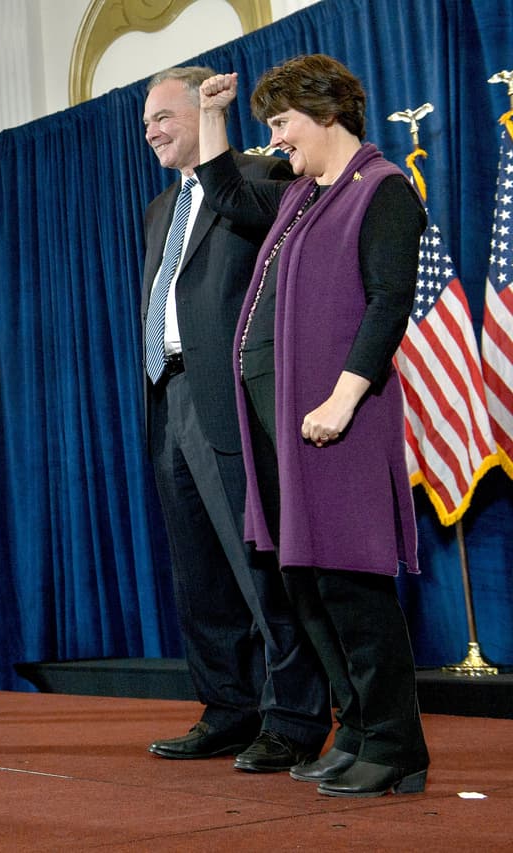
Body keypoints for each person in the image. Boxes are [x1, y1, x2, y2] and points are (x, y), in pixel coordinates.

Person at [196, 55, 429, 797]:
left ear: (325, 113)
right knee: (305, 582)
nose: (276, 137)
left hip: (338, 418)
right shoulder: (299, 194)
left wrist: (343, 397)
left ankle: (397, 745)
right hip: (279, 423)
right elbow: (226, 190)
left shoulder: (382, 189)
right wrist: (211, 116)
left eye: (282, 121)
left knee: (352, 583)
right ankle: (356, 728)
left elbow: (389, 303)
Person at [140, 67, 330, 773]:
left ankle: (295, 717)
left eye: (163, 116)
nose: (152, 131)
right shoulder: (159, 209)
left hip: (234, 401)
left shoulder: (260, 174)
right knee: (200, 574)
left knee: (261, 568)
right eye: (147, 122)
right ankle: (227, 707)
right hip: (170, 399)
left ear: (204, 109)